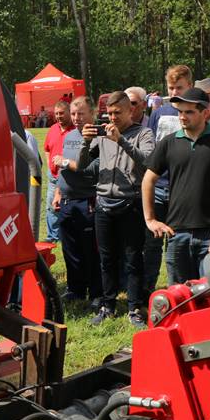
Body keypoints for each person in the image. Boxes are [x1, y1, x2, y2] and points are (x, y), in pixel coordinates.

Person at [78, 90, 154, 328]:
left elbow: (148, 161)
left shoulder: (144, 133)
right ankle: (107, 305)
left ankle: (133, 308)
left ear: (130, 110)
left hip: (130, 203)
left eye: (117, 113)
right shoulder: (102, 135)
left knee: (132, 259)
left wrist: (121, 140)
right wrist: (85, 141)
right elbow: (82, 166)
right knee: (107, 259)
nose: (112, 118)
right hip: (103, 203)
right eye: (108, 113)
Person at [141, 87, 210, 284]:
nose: (182, 116)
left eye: (189, 112)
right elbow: (148, 179)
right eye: (180, 111)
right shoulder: (169, 142)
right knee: (179, 296)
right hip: (176, 233)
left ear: (205, 112)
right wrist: (150, 219)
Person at [51, 96, 103, 305]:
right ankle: (75, 289)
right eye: (73, 114)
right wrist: (57, 192)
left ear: (92, 113)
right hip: (66, 201)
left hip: (87, 200)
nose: (77, 118)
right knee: (70, 249)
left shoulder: (99, 137)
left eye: (81, 113)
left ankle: (96, 293)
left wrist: (64, 161)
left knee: (90, 250)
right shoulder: (70, 135)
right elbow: (63, 171)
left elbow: (92, 170)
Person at [42, 101, 72, 243]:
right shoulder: (53, 128)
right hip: (54, 177)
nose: (59, 116)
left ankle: (68, 235)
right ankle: (53, 236)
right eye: (56, 114)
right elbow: (47, 148)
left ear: (69, 112)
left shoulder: (75, 130)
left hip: (69, 177)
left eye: (62, 113)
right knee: (51, 206)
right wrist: (49, 165)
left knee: (68, 206)